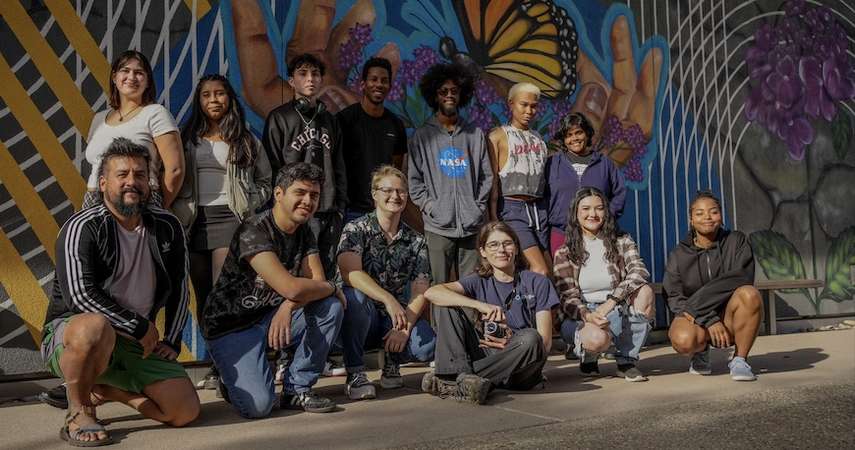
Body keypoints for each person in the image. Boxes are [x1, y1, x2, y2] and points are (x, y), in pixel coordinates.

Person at [42, 138, 199, 446]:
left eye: (140, 175)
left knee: (184, 412)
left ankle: (108, 391)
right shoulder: (81, 227)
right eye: (122, 174)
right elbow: (79, 296)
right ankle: (79, 410)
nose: (132, 181)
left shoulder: (167, 226)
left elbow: (181, 285)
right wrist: (138, 325)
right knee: (94, 326)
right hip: (75, 335)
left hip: (136, 342)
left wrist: (172, 338)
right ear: (103, 183)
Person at [201, 162, 345, 417]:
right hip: (233, 326)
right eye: (299, 193)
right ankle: (230, 379)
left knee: (329, 306)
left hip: (272, 315)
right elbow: (292, 286)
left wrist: (288, 306)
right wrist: (329, 287)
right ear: (278, 194)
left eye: (314, 195)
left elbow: (317, 284)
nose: (307, 201)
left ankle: (297, 388)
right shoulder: (253, 230)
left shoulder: (304, 230)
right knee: (259, 407)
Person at [173, 74, 272, 390]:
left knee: (221, 293)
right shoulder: (186, 137)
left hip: (229, 220)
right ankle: (216, 364)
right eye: (206, 95)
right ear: (199, 101)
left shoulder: (244, 138)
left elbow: (267, 182)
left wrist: (246, 205)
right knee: (203, 297)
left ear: (229, 99)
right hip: (193, 222)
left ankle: (228, 367)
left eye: (219, 94)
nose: (214, 100)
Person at [422, 221, 557, 405]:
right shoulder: (478, 281)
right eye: (493, 245)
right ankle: (470, 383)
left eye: (507, 243)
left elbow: (545, 343)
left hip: (522, 363)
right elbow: (432, 293)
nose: (501, 250)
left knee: (532, 338)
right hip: (487, 352)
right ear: (483, 252)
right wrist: (480, 305)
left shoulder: (538, 282)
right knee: (446, 303)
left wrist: (512, 341)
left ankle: (452, 381)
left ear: (516, 248)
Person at [337, 166, 435, 400]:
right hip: (362, 316)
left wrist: (405, 328)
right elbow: (350, 273)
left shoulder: (416, 240)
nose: (395, 196)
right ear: (374, 194)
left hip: (395, 317)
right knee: (355, 298)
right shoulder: (356, 229)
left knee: (426, 346)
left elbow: (421, 288)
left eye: (401, 191)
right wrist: (388, 299)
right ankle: (355, 373)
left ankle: (393, 361)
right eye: (387, 190)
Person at [552, 188, 654, 381]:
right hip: (581, 314)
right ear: (576, 213)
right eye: (586, 209)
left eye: (599, 208)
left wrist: (612, 302)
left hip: (615, 308)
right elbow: (567, 297)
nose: (593, 214)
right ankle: (589, 355)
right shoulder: (564, 252)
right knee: (597, 340)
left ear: (606, 212)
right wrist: (588, 315)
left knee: (645, 291)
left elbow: (639, 272)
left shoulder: (621, 241)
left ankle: (626, 362)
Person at [262, 53, 347, 280]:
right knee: (295, 272)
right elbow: (271, 167)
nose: (310, 79)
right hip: (294, 211)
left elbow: (339, 167)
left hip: (327, 212)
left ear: (321, 80)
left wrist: (340, 207)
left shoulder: (330, 121)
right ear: (291, 81)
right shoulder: (279, 118)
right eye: (303, 74)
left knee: (325, 275)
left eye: (315, 74)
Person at [408, 62, 493, 286]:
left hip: (471, 225)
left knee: (472, 286)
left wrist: (477, 207)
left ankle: (470, 323)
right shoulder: (422, 136)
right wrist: (431, 207)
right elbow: (414, 181)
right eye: (443, 91)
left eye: (454, 91)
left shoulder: (475, 134)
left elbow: (486, 176)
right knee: (439, 287)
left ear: (461, 95)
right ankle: (439, 324)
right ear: (434, 95)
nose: (449, 96)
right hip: (438, 227)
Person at [664, 191, 762, 381]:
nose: (707, 217)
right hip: (697, 319)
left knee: (749, 294)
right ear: (691, 219)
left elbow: (742, 276)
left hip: (729, 315)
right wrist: (708, 319)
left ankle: (740, 360)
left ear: (721, 215)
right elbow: (674, 296)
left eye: (713, 212)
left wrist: (701, 307)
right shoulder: (679, 254)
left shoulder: (737, 241)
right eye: (699, 213)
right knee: (683, 339)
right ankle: (700, 352)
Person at [83, 50, 183, 209]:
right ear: (114, 78)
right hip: (94, 199)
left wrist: (157, 208)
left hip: (138, 198)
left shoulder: (156, 113)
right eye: (125, 71)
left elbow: (175, 170)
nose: (131, 77)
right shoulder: (99, 119)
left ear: (148, 81)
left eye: (139, 73)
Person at [336, 57, 418, 226]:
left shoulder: (396, 125)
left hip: (384, 210)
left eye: (384, 81)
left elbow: (396, 168)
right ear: (363, 84)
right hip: (350, 211)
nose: (379, 84)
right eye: (373, 79)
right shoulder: (344, 120)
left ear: (389, 86)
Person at [487, 82, 550, 276]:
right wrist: (493, 217)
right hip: (512, 208)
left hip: (539, 210)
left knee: (551, 273)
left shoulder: (538, 138)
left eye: (534, 106)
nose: (529, 110)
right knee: (540, 269)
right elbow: (492, 182)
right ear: (511, 104)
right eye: (524, 105)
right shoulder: (498, 136)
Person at [544, 112, 625, 254]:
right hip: (561, 235)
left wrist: (606, 217)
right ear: (563, 139)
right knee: (563, 276)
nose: (574, 138)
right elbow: (542, 198)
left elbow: (619, 193)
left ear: (587, 134)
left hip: (598, 236)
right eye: (568, 135)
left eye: (578, 133)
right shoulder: (552, 164)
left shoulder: (604, 163)